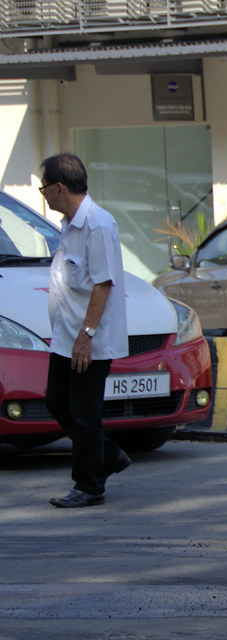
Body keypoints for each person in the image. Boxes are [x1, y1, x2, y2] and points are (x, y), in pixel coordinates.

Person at [40, 153, 130, 508]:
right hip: (66, 336)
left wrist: (86, 335)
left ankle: (89, 485)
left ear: (60, 187)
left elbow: (103, 285)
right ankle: (107, 456)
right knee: (56, 401)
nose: (43, 194)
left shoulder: (98, 225)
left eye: (44, 186)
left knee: (83, 411)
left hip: (90, 339)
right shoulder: (69, 223)